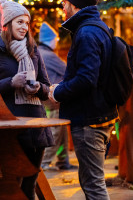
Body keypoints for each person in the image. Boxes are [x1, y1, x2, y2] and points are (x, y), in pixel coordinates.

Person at [0, 0, 53, 200]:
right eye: (19, 22)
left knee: (29, 186)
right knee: (9, 188)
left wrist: (37, 88)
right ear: (7, 24)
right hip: (8, 130)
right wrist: (11, 82)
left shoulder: (33, 52)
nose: (24, 27)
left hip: (35, 128)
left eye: (27, 23)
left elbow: (46, 88)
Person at [48, 0, 119, 200]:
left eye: (64, 2)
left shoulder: (87, 33)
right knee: (91, 181)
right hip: (98, 114)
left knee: (93, 184)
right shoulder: (97, 27)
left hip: (89, 119)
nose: (62, 6)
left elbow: (87, 78)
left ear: (74, 4)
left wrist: (58, 92)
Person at [38, 22, 77, 171]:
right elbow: (67, 70)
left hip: (46, 97)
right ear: (50, 40)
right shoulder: (49, 55)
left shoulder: (39, 51)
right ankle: (44, 162)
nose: (57, 42)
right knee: (55, 129)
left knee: (60, 130)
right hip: (52, 98)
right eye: (56, 39)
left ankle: (63, 161)